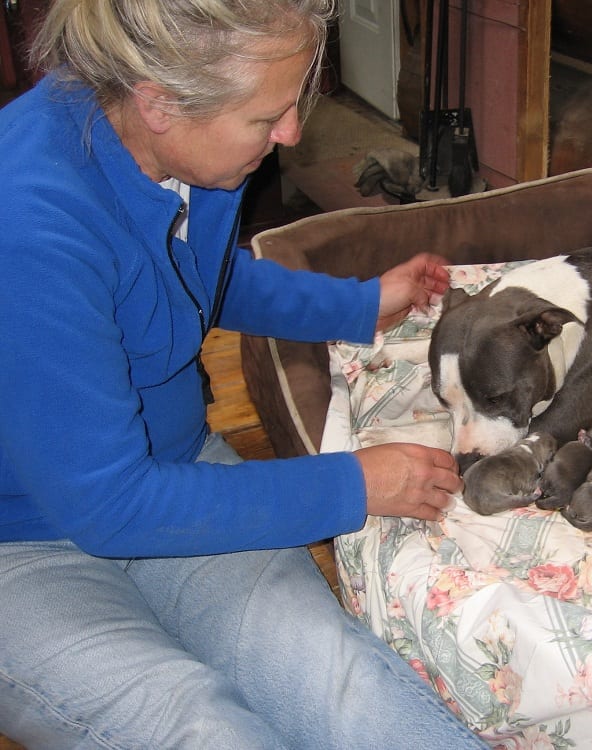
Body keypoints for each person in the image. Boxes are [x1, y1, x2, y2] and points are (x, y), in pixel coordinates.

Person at [0, 1, 487, 748]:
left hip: (171, 471)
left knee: (337, 678)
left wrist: (353, 306)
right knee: (195, 723)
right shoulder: (29, 227)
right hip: (22, 542)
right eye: (268, 118)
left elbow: (193, 275)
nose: (291, 133)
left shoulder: (186, 154)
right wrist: (356, 484)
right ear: (160, 103)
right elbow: (108, 504)